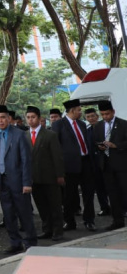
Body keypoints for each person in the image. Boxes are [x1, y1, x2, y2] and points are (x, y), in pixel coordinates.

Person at [0, 105, 37, 254]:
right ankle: (15, 242)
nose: (0, 120)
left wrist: (27, 183)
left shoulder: (19, 134)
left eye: (3, 117)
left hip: (18, 180)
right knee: (8, 213)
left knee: (24, 213)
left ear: (9, 118)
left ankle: (30, 242)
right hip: (2, 181)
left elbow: (26, 160)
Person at [51, 99, 97, 232]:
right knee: (69, 195)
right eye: (79, 110)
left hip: (86, 162)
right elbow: (56, 147)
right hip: (69, 166)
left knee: (88, 193)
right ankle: (69, 221)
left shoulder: (82, 124)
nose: (80, 112)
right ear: (72, 111)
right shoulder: (59, 125)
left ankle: (89, 220)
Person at [25, 106, 65, 241]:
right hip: (33, 178)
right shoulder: (24, 135)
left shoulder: (49, 134)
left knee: (54, 205)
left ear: (39, 118)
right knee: (41, 206)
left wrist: (60, 175)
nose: (31, 120)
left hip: (50, 176)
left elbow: (57, 156)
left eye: (33, 117)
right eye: (28, 117)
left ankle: (58, 230)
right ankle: (47, 229)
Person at [92, 100, 127, 231]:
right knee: (113, 195)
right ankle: (118, 221)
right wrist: (100, 146)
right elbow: (95, 141)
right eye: (102, 114)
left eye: (107, 114)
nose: (105, 117)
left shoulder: (123, 124)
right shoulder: (99, 126)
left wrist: (116, 145)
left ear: (113, 112)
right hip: (106, 165)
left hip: (122, 166)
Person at [85, 108, 111, 217]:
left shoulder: (105, 127)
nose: (91, 118)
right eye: (88, 117)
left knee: (111, 186)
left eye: (93, 116)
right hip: (94, 164)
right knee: (99, 187)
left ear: (97, 116)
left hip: (107, 162)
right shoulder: (87, 131)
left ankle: (121, 208)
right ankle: (104, 208)